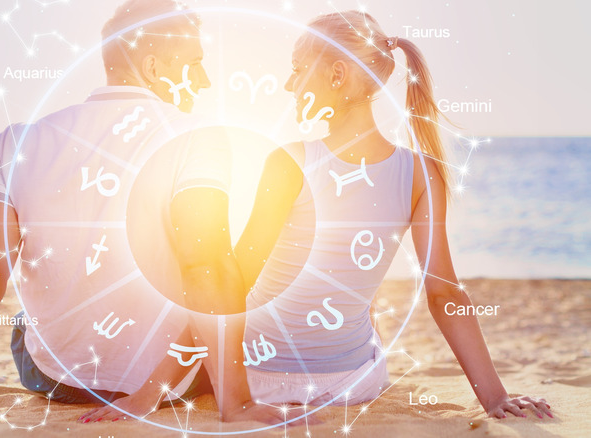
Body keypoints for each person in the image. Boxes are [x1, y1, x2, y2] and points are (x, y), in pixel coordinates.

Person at [0, 0, 283, 424]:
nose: (203, 81)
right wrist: (236, 403)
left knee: (25, 320)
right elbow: (204, 267)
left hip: (60, 381)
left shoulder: (15, 142)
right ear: (153, 65)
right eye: (195, 63)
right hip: (172, 387)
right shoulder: (197, 138)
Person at [234, 10, 553, 420]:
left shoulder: (289, 161)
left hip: (261, 377)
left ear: (336, 75)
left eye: (297, 70)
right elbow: (444, 294)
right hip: (351, 382)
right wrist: (494, 397)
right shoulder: (422, 173)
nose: (288, 84)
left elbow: (234, 279)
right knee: (360, 294)